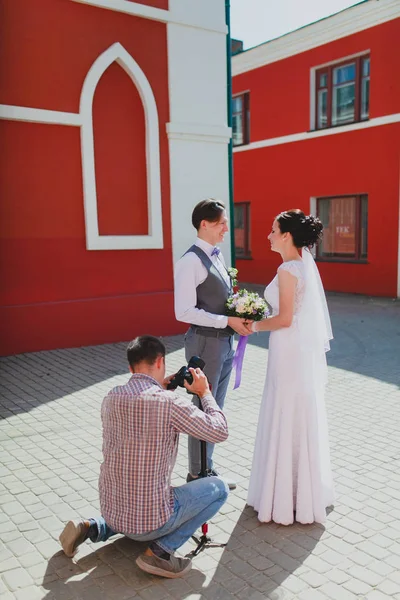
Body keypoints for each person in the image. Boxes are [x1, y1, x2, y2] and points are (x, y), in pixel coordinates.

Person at [58, 335, 229, 578]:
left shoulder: (111, 397)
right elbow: (219, 431)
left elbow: (143, 406)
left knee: (134, 497)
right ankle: (161, 552)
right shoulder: (169, 403)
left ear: (130, 367)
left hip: (112, 510)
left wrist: (160, 388)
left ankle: (92, 527)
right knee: (220, 488)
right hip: (151, 521)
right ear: (160, 361)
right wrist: (204, 393)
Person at [246, 209, 335, 525]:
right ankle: (302, 492)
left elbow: (283, 319)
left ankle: (284, 496)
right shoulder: (300, 267)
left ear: (286, 235)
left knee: (285, 409)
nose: (268, 235)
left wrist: (252, 326)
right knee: (297, 410)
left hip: (288, 348)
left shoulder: (288, 270)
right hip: (295, 348)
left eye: (273, 229)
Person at [174, 199, 250, 490]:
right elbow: (182, 312)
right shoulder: (189, 262)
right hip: (205, 345)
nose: (226, 229)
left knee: (215, 407)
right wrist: (226, 321)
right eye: (221, 223)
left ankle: (207, 467)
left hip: (224, 343)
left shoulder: (217, 256)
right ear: (204, 224)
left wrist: (239, 317)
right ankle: (197, 474)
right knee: (201, 408)